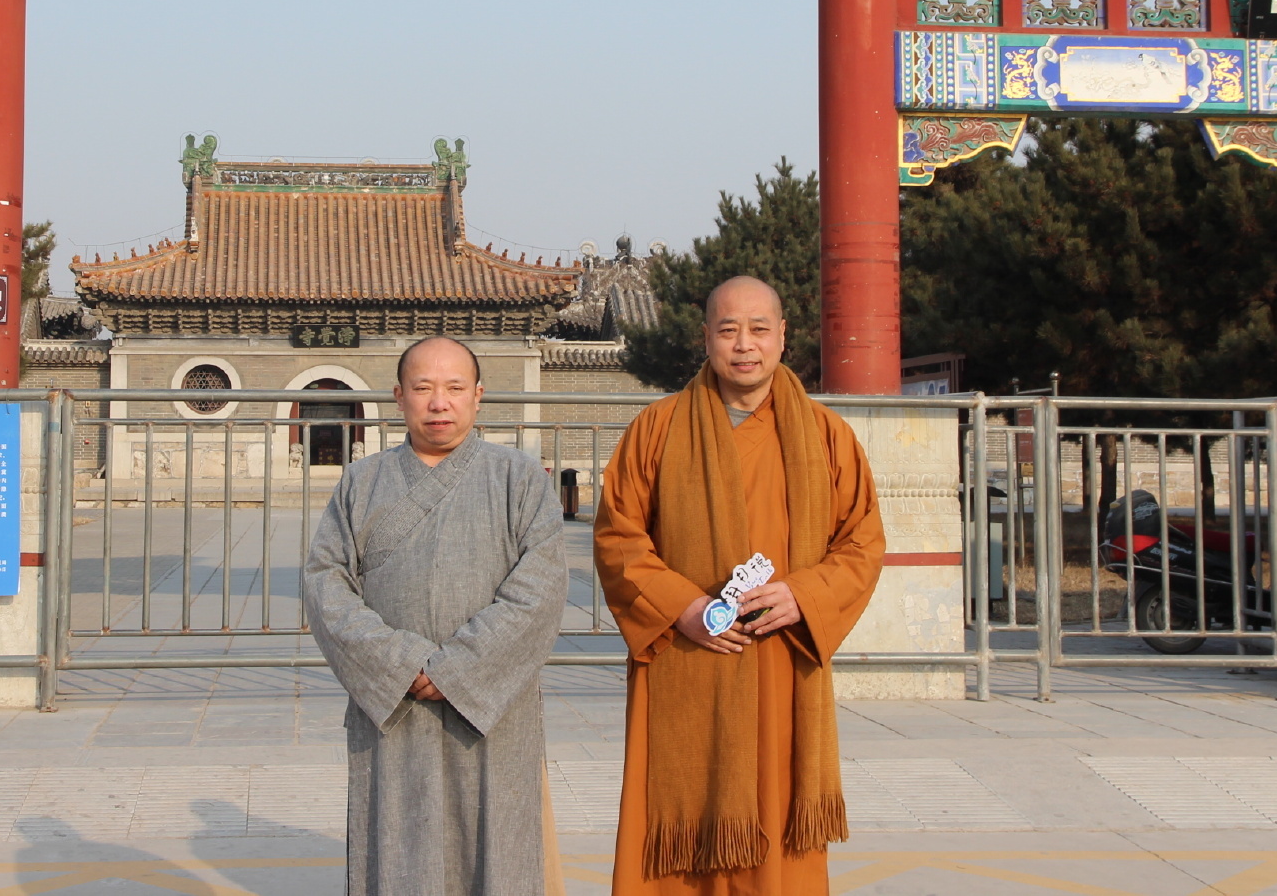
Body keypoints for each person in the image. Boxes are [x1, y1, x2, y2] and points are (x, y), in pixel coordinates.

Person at [594, 276, 885, 894]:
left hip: (783, 661)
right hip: (687, 655)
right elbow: (619, 539)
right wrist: (684, 608)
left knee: (777, 825)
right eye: (728, 330)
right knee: (679, 827)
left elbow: (861, 542)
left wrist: (802, 595)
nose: (744, 345)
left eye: (758, 329)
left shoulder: (827, 435)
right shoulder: (657, 428)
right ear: (706, 338)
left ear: (783, 335)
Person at [302, 335, 569, 896]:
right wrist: (402, 664)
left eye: (453, 388)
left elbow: (540, 589)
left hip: (493, 705)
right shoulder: (360, 482)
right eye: (423, 388)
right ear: (398, 396)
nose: (438, 402)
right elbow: (327, 585)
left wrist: (455, 670)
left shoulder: (520, 479)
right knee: (396, 840)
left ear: (478, 396)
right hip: (395, 703)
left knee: (496, 842)